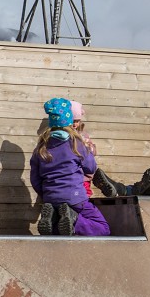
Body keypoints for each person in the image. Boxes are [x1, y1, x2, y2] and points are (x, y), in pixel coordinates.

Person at [30, 98, 111, 236]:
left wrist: (46, 194)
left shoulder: (41, 147)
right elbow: (91, 168)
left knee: (60, 229)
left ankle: (55, 220)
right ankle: (74, 221)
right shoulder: (76, 144)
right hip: (75, 197)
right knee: (103, 228)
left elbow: (35, 179)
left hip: (50, 198)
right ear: (69, 122)